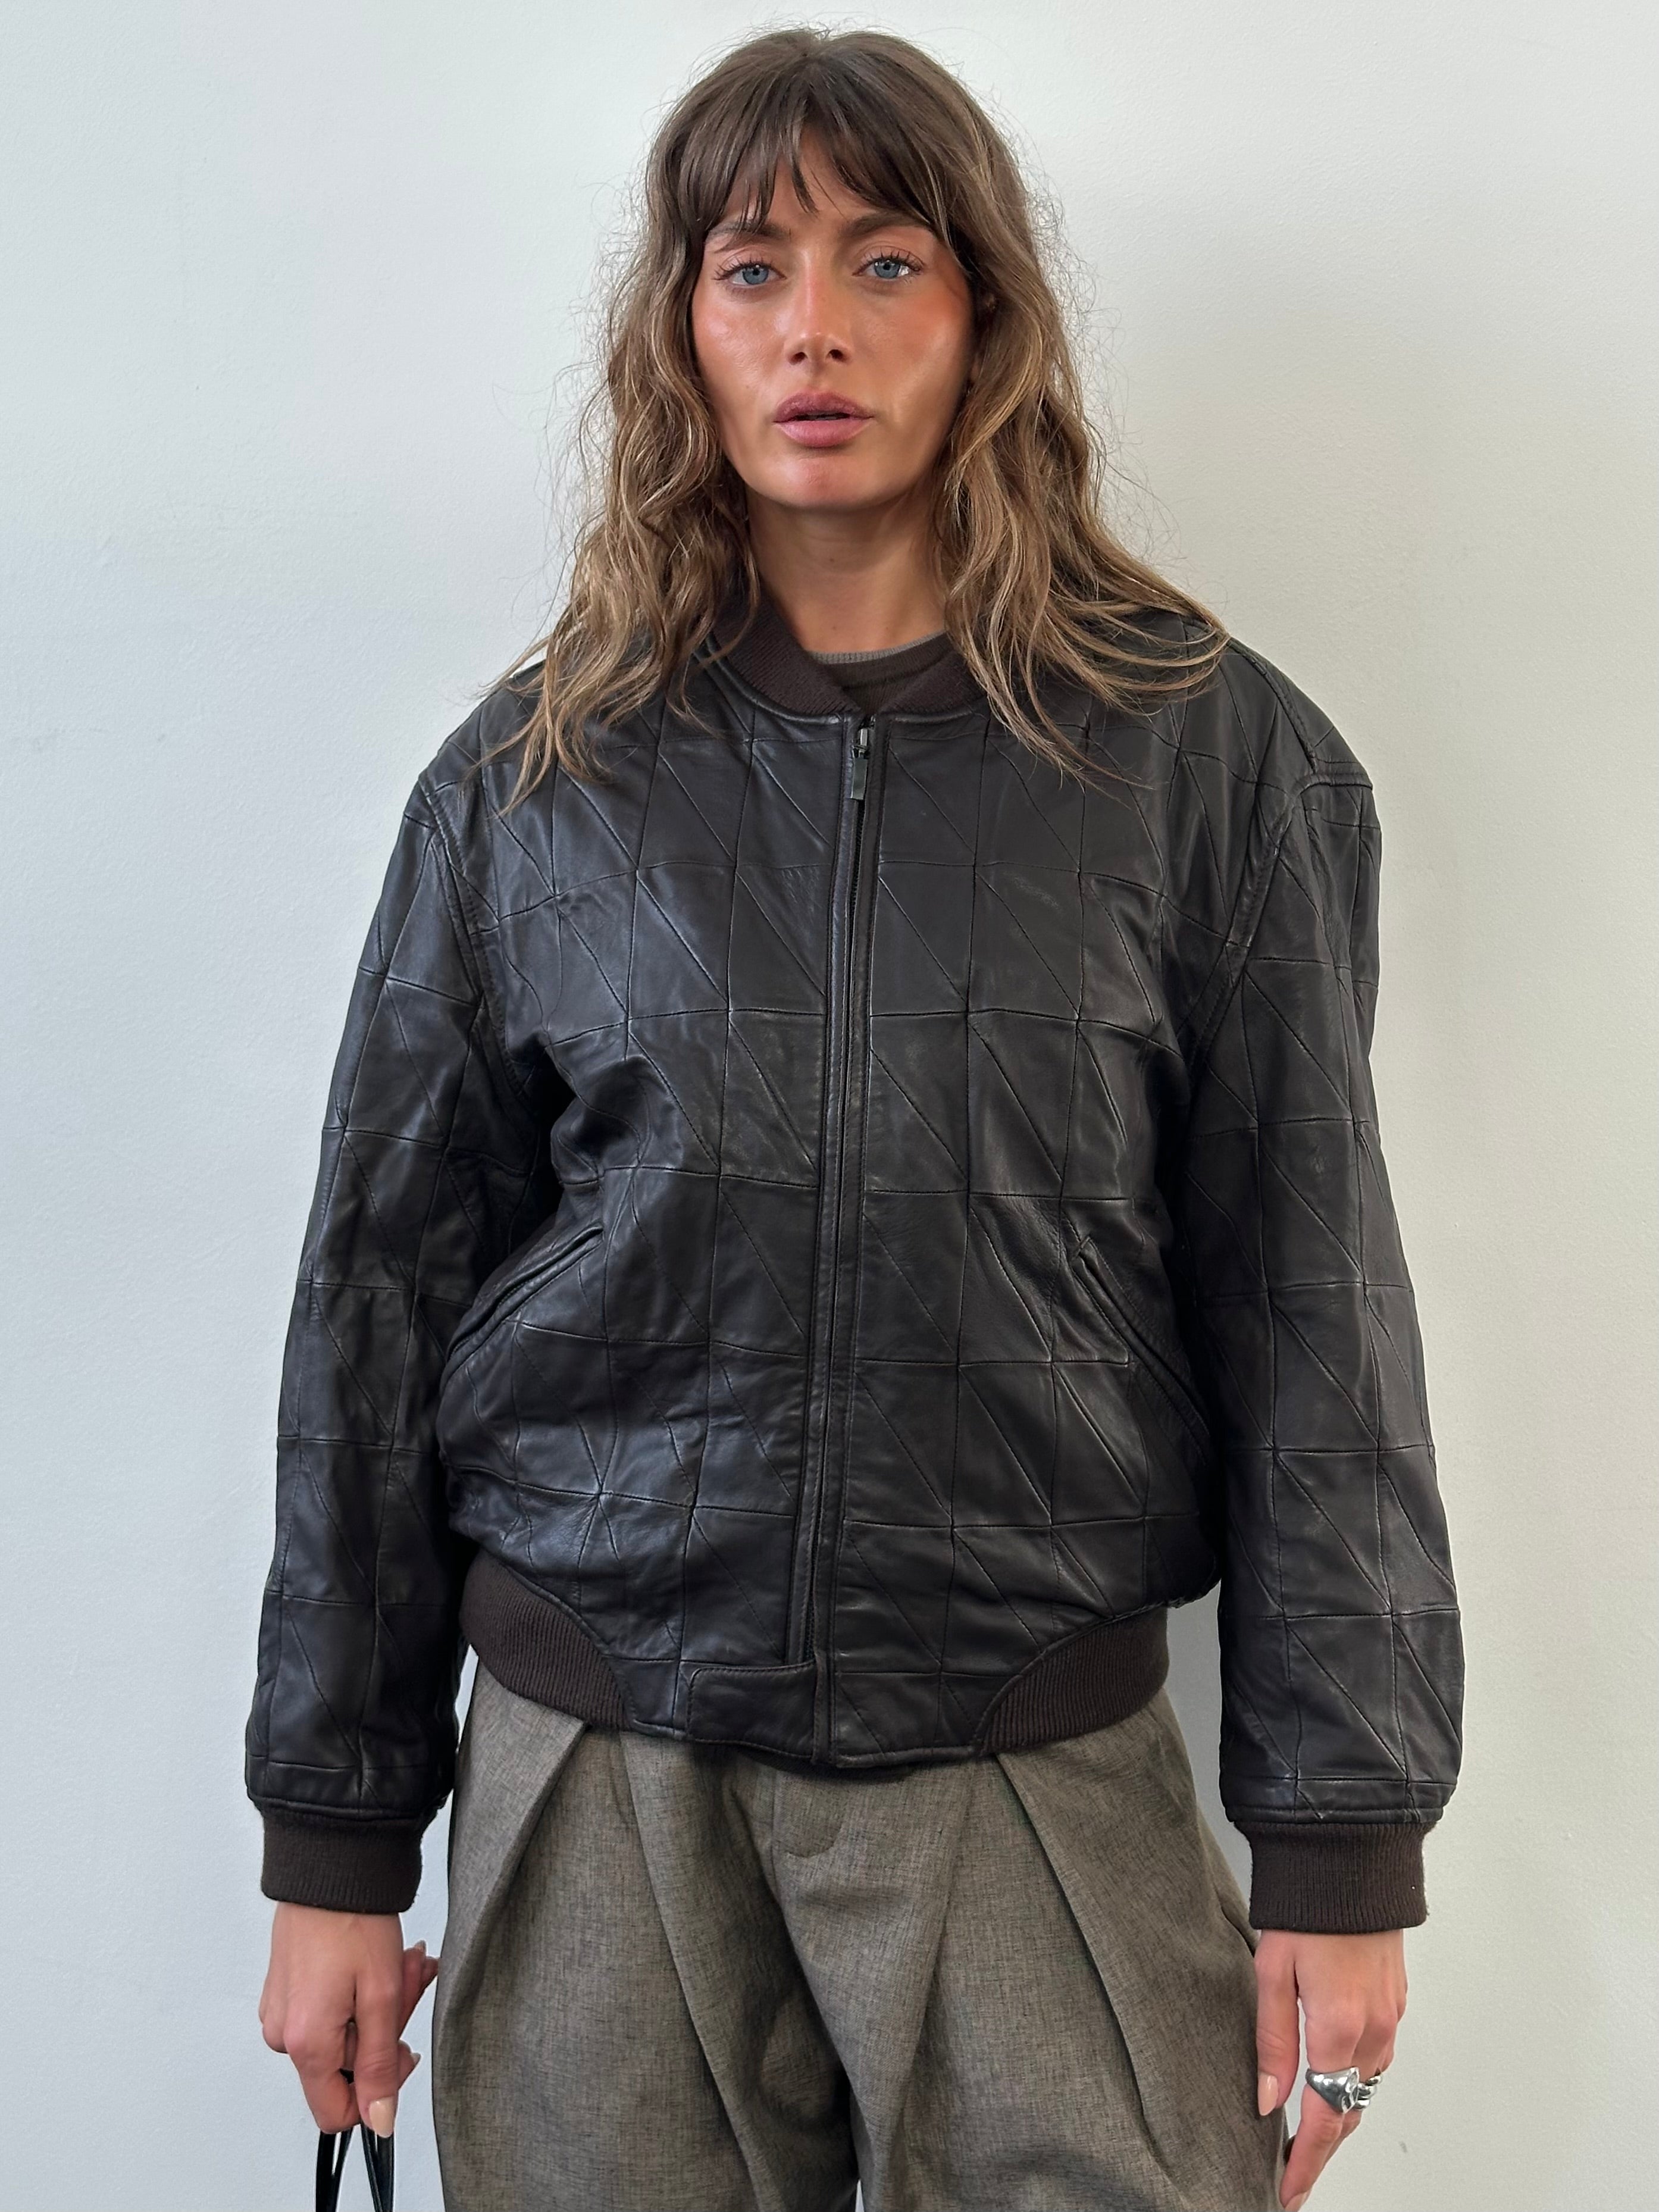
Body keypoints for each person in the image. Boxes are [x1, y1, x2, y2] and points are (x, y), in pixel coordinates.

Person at [249, 27, 1463, 2212]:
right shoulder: (532, 785)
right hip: (598, 1751)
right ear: (681, 332)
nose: (813, 326)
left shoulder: (1208, 765)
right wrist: (334, 1842)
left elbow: (1311, 1309)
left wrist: (1341, 1841)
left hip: (1034, 1745)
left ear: (984, 315)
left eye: (885, 260)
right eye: (751, 268)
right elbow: (374, 1312)